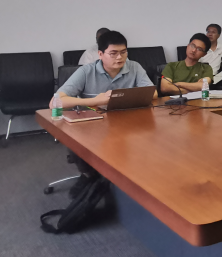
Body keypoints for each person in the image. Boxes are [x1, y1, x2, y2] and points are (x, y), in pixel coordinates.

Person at [58, 30, 156, 196]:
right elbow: (57, 101)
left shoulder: (134, 67)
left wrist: (123, 96)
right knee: (78, 142)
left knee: (149, 137)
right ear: (100, 54)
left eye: (123, 52)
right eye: (113, 53)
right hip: (93, 126)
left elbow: (153, 93)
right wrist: (95, 101)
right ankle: (88, 176)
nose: (119, 57)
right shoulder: (86, 71)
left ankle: (127, 180)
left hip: (126, 123)